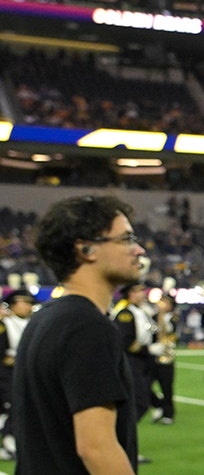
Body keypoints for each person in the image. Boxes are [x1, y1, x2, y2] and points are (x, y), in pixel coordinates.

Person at [12, 194, 144, 473]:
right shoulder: (87, 326)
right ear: (86, 249)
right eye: (126, 239)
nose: (139, 250)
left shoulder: (45, 318)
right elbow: (96, 447)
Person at [110, 282, 159, 428]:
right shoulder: (125, 313)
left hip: (144, 361)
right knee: (140, 402)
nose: (143, 294)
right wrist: (149, 349)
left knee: (142, 398)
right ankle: (121, 432)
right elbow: (126, 342)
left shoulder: (142, 312)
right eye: (139, 291)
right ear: (131, 294)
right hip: (132, 361)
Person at [0, 288, 35, 460]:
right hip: (7, 374)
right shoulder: (4, 324)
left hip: (27, 372)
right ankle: (9, 441)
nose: (28, 306)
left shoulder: (33, 323)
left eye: (29, 303)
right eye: (24, 302)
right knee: (12, 406)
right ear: (13, 305)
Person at [148, 294, 178, 425]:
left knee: (166, 387)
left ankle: (168, 413)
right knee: (144, 385)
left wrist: (161, 317)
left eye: (166, 303)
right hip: (153, 355)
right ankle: (158, 404)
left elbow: (170, 331)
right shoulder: (152, 317)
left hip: (167, 355)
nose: (162, 305)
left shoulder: (173, 318)